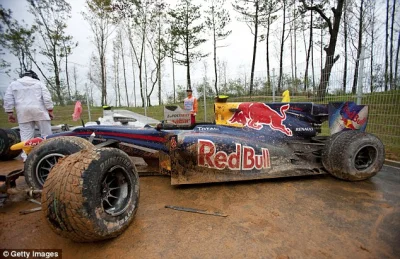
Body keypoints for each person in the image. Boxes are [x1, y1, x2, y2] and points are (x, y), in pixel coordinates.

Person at [3, 70, 54, 161]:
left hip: (23, 112)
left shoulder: (13, 84)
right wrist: (50, 110)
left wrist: (10, 112)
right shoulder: (39, 83)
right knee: (46, 135)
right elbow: (47, 98)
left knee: (26, 137)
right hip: (39, 110)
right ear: (33, 76)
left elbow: (8, 99)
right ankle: (49, 155)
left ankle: (27, 158)